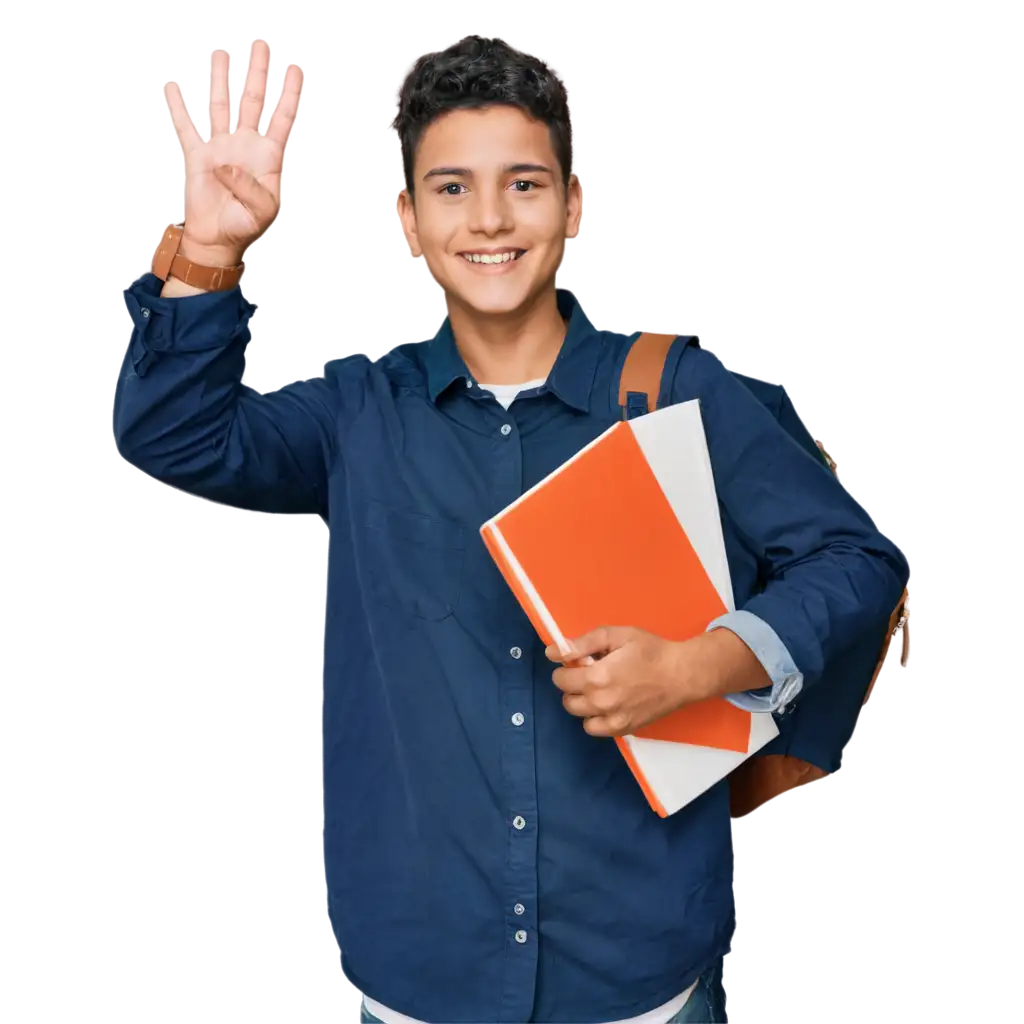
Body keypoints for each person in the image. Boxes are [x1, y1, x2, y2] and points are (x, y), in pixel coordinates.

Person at [114, 35, 906, 1024]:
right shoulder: (359, 410)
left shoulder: (673, 392)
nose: (489, 218)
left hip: (640, 978)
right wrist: (213, 244)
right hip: (418, 977)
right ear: (406, 219)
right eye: (450, 188)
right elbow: (174, 438)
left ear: (572, 202)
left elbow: (854, 560)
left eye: (522, 183)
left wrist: (702, 663)